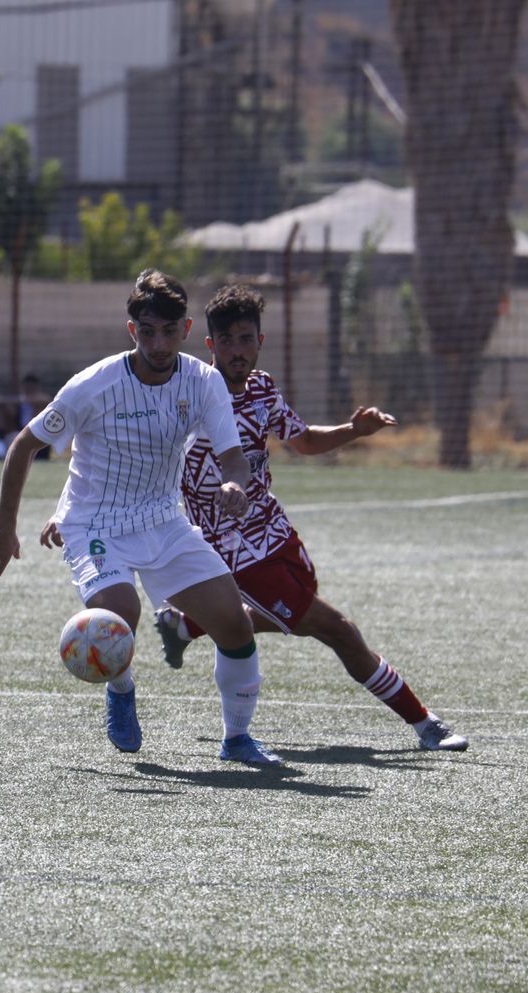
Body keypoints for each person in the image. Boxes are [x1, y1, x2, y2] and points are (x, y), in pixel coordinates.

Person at [144, 284, 469, 753]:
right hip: (233, 550)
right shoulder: (191, 398)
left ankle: (187, 626)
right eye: (227, 341)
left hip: (273, 529)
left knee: (299, 608)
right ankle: (424, 724)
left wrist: (354, 430)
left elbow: (305, 440)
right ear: (210, 344)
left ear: (260, 341)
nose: (237, 351)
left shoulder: (261, 387)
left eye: (245, 339)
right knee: (336, 628)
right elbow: (152, 454)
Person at [0, 270, 281, 766]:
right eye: (147, 331)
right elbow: (24, 445)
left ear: (186, 329)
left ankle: (238, 739)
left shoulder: (203, 382)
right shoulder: (94, 385)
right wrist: (4, 527)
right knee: (120, 614)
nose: (158, 344)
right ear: (131, 330)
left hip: (163, 520)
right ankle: (120, 688)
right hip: (94, 525)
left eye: (169, 331)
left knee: (234, 625)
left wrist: (234, 485)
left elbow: (233, 458)